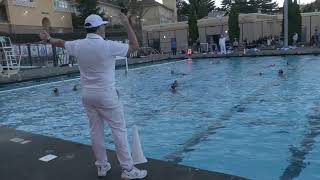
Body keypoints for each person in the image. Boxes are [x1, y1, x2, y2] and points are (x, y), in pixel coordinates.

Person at [40, 14, 147, 179]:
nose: (104, 28)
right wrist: (126, 24)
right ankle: (128, 169)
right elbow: (134, 46)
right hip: (106, 95)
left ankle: (102, 166)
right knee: (119, 131)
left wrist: (48, 40)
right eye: (103, 26)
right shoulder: (107, 46)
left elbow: (61, 43)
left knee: (95, 132)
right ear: (99, 28)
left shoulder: (79, 45)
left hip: (87, 95)